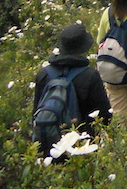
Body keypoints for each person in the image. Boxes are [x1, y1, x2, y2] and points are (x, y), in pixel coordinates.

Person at [33, 23, 112, 152]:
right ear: (83, 47)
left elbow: (35, 112)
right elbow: (104, 116)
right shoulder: (90, 75)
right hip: (81, 147)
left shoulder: (43, 74)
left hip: (49, 145)